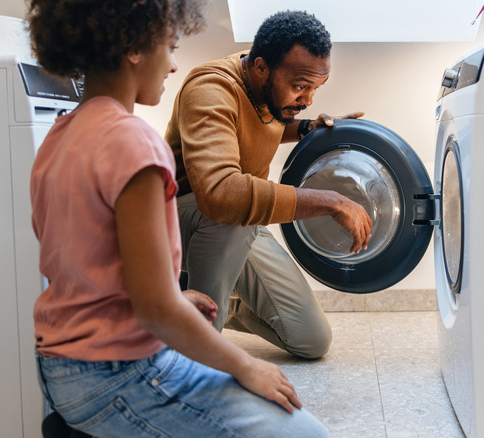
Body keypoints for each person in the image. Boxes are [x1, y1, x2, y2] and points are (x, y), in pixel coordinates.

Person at [27, 0, 328, 436]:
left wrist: (170, 299)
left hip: (59, 368)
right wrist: (247, 367)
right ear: (132, 48)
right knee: (310, 434)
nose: (172, 66)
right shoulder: (134, 143)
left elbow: (84, 265)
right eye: (168, 47)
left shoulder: (59, 135)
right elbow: (157, 312)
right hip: (118, 374)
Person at [165, 10, 372, 360]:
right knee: (230, 213)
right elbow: (220, 195)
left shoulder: (271, 96)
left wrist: (306, 128)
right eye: (300, 87)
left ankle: (218, 306)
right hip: (182, 223)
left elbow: (263, 124)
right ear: (261, 67)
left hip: (236, 225)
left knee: (311, 340)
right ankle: (197, 353)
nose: (307, 100)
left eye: (315, 88)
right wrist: (331, 201)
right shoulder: (210, 89)